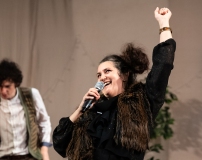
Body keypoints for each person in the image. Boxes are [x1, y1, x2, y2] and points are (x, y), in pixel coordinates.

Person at [53, 7, 176, 160]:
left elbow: (163, 64)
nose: (102, 77)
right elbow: (59, 143)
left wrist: (163, 23)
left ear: (124, 75)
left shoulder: (142, 101)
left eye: (107, 71)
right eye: (98, 75)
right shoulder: (91, 112)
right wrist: (80, 109)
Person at [0, 59, 52, 160]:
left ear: (16, 83)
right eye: (0, 86)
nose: (3, 91)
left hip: (27, 156)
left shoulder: (30, 95)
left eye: (7, 86)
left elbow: (44, 122)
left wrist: (44, 150)